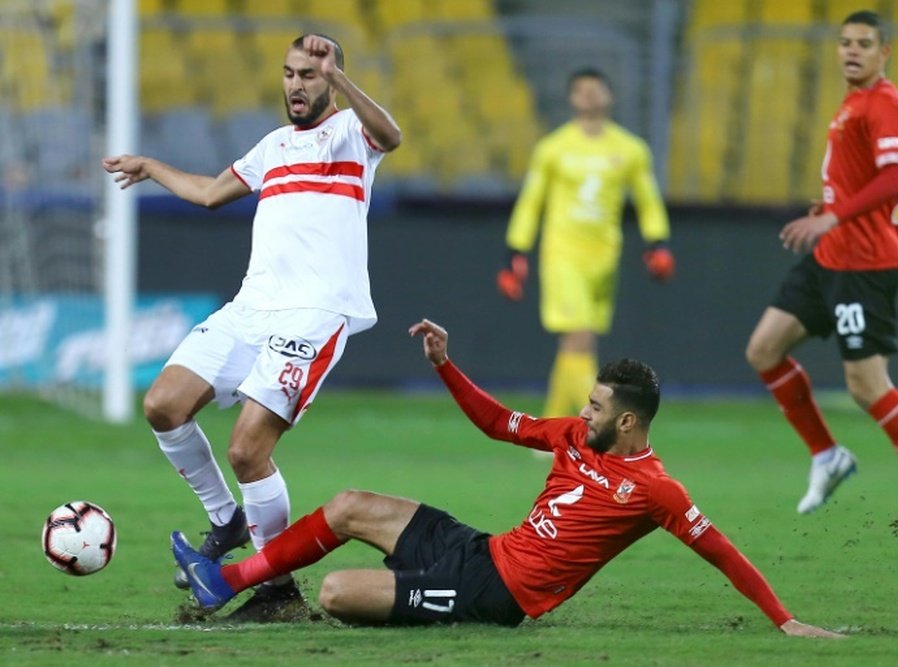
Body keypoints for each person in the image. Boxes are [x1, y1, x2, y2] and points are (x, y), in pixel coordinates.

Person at [172, 318, 842, 638]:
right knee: (349, 504)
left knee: (341, 591)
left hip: (499, 595)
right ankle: (223, 579)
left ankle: (393, 601)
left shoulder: (655, 489)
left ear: (631, 420)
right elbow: (498, 423)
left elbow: (720, 549)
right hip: (483, 551)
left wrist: (783, 619)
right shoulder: (577, 436)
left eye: (598, 407)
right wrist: (445, 363)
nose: (584, 412)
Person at [103, 33, 401, 620]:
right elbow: (212, 192)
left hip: (316, 314)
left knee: (247, 450)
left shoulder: (351, 136)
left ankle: (277, 591)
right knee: (163, 404)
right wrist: (149, 166)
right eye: (290, 73)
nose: (296, 84)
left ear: (331, 78)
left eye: (309, 75)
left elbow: (392, 135)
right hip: (250, 309)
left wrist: (337, 76)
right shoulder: (272, 147)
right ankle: (226, 519)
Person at [745, 11, 898, 557]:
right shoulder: (855, 103)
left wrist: (837, 215)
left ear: (884, 51)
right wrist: (843, 209)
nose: (851, 51)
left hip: (863, 265)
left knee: (867, 387)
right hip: (830, 258)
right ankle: (827, 455)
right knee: (764, 350)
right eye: (845, 43)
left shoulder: (883, 102)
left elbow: (897, 177)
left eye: (863, 44)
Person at [497, 67, 675, 418]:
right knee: (579, 337)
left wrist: (658, 242)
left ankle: (548, 428)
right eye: (581, 90)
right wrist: (515, 250)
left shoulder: (630, 149)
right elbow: (532, 201)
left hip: (604, 258)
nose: (589, 95)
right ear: (572, 98)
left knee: (577, 343)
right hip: (562, 254)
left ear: (609, 96)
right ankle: (599, 423)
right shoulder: (554, 148)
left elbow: (647, 200)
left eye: (596, 89)